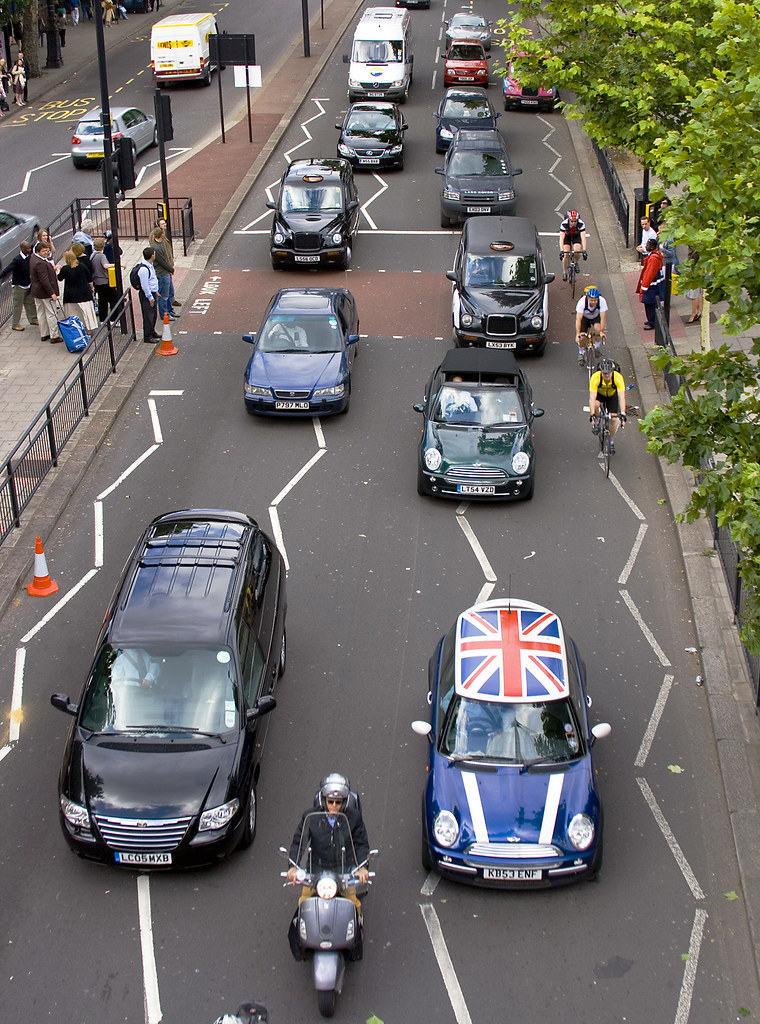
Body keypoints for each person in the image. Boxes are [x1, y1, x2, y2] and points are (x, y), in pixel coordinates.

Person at [286, 773, 369, 917]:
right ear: (324, 801)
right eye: (331, 802)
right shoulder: (310, 818)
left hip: (344, 870)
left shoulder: (354, 818)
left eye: (339, 802)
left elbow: (361, 843)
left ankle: (357, 928)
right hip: (316, 870)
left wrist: (362, 867)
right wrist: (293, 866)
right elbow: (299, 842)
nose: (334, 806)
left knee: (354, 905)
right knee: (303, 904)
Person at [589, 358, 627, 452]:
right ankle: (597, 420)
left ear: (612, 372)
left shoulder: (618, 378)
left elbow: (622, 397)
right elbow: (592, 398)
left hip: (612, 396)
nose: (606, 375)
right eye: (604, 373)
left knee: (613, 420)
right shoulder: (595, 377)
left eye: (608, 373)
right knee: (596, 404)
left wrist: (623, 413)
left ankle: (611, 441)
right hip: (600, 395)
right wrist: (592, 415)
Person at [58, 249, 98, 332]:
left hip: (71, 296)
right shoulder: (82, 266)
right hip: (84, 295)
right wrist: (92, 289)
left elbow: (60, 278)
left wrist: (58, 270)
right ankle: (88, 331)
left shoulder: (65, 268)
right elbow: (89, 279)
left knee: (72, 315)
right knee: (85, 315)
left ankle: (76, 331)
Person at [30, 242, 62, 343]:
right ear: (38, 251)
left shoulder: (34, 258)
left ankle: (44, 334)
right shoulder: (40, 263)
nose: (47, 253)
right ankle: (54, 336)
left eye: (48, 251)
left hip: (37, 292)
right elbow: (44, 280)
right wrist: (52, 293)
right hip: (45, 293)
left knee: (41, 313)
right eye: (44, 251)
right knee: (51, 313)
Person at [149, 217, 181, 311]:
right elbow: (161, 259)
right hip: (163, 270)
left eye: (165, 223)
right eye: (163, 224)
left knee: (169, 290)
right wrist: (170, 268)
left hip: (167, 267)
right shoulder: (156, 243)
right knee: (164, 293)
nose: (165, 225)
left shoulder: (162, 238)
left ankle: (170, 307)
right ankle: (165, 312)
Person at [636, 237, 665, 330]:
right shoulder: (655, 255)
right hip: (654, 285)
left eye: (648, 245)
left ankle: (652, 322)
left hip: (651, 286)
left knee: (649, 304)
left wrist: (644, 287)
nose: (646, 246)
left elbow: (649, 273)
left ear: (652, 247)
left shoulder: (653, 258)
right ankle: (651, 320)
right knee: (651, 304)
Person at [10, 242, 39, 331]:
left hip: (28, 284)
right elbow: (8, 269)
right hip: (19, 286)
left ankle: (33, 319)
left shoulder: (29, 257)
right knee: (18, 305)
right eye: (28, 249)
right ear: (22, 249)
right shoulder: (17, 260)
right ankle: (15, 324)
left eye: (30, 248)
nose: (30, 250)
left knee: (30, 303)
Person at [151, 227, 178, 320]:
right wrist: (171, 269)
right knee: (164, 295)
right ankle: (164, 314)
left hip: (166, 272)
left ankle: (169, 310)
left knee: (170, 292)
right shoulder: (156, 248)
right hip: (162, 274)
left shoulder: (160, 244)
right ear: (161, 234)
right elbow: (163, 262)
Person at [575, 286, 608, 362]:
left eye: (595, 300)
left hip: (595, 317)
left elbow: (603, 318)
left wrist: (601, 331)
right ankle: (581, 353)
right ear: (588, 298)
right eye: (591, 300)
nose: (593, 302)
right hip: (584, 318)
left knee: (598, 329)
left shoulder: (602, 301)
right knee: (582, 337)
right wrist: (578, 334)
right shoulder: (582, 302)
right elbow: (578, 319)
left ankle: (596, 347)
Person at [136, 246, 161, 343]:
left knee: (153, 314)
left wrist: (156, 291)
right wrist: (150, 297)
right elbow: (145, 285)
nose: (155, 254)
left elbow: (152, 280)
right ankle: (147, 336)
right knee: (148, 315)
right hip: (147, 296)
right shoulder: (144, 270)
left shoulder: (150, 265)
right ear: (151, 255)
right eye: (154, 253)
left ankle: (152, 331)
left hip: (152, 293)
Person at [91, 236, 115, 322]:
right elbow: (105, 265)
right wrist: (114, 265)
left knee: (102, 301)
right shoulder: (102, 256)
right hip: (104, 281)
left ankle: (103, 319)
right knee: (113, 299)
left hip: (96, 281)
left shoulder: (92, 255)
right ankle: (113, 319)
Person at [558, 210, 587, 280]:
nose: (573, 223)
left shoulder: (581, 224)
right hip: (567, 236)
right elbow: (561, 239)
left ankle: (576, 262)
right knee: (566, 253)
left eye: (575, 221)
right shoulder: (564, 224)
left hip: (576, 235)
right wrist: (561, 251)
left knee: (577, 250)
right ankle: (564, 272)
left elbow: (583, 238)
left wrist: (584, 251)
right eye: (572, 221)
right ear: (569, 220)